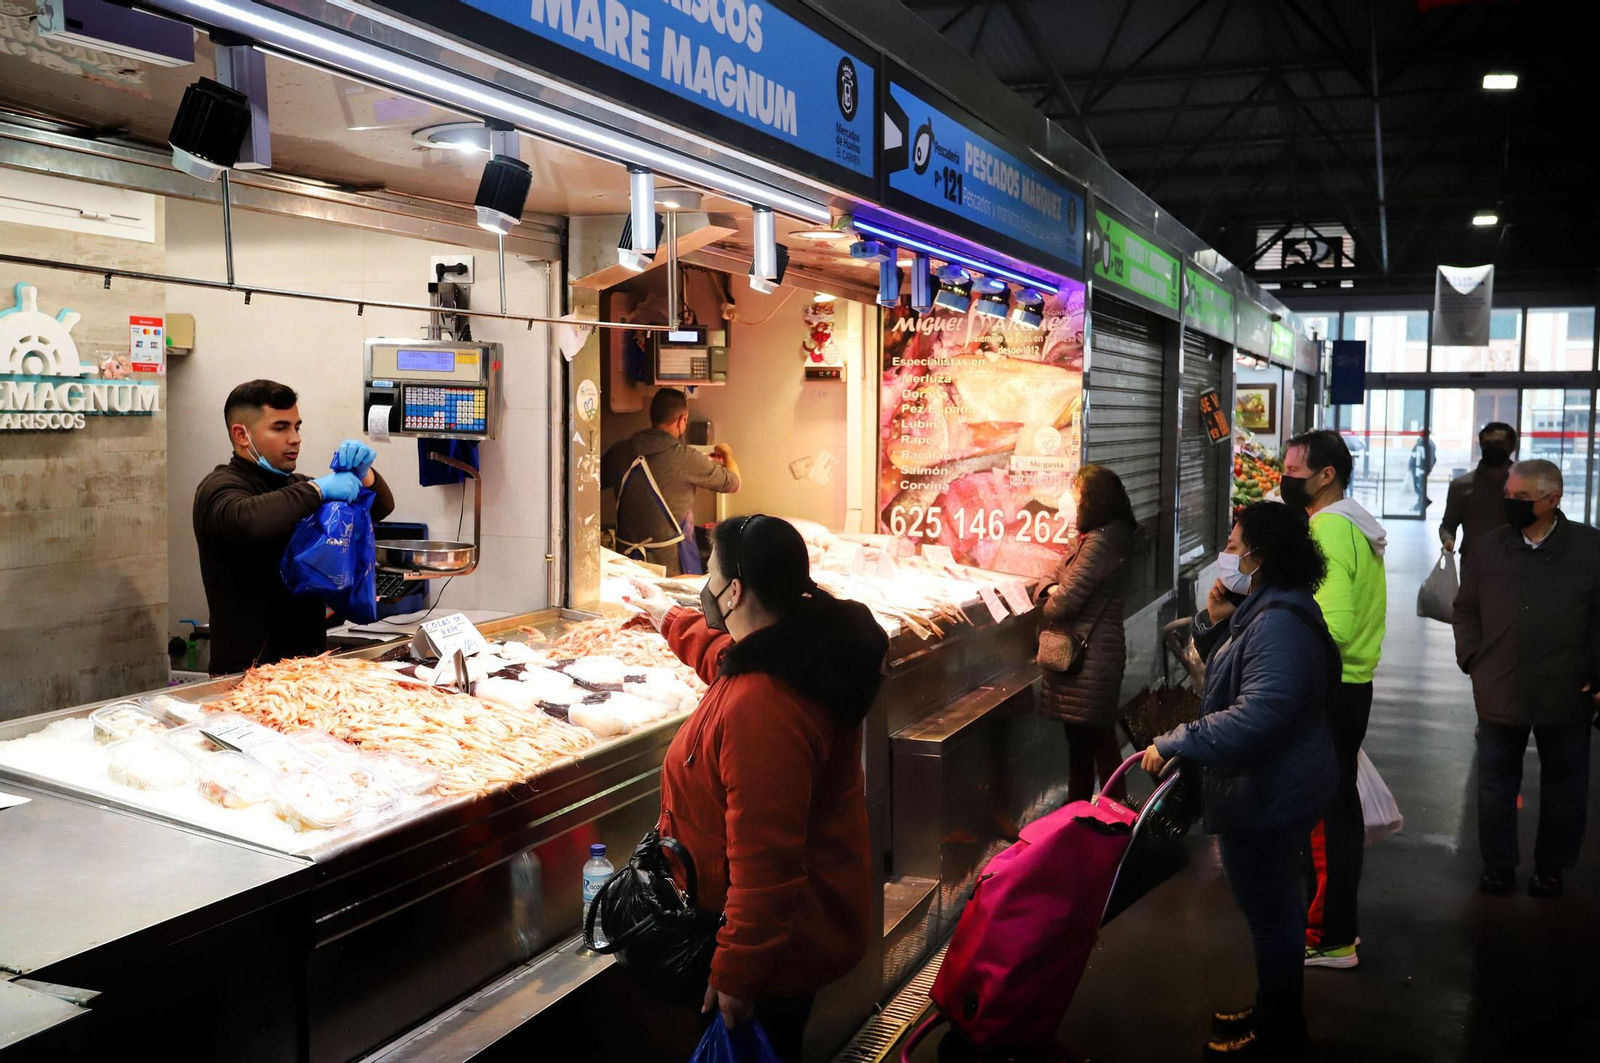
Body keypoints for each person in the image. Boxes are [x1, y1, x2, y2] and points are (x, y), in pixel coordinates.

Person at [624, 515, 887, 1062]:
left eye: (713, 575)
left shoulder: (766, 703)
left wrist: (738, 972)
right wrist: (669, 617)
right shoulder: (795, 651)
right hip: (793, 932)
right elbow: (727, 658)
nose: (708, 588)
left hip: (773, 955)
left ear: (735, 591)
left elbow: (767, 860)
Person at [1142, 502, 1338, 1061]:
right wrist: (1213, 616)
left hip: (1269, 791)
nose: (1227, 554)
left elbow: (1259, 715)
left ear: (1260, 554)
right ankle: (1273, 1008)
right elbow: (1229, 667)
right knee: (1271, 909)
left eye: (1233, 545)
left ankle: (1279, 1031)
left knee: (1272, 914)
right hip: (1270, 784)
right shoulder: (1269, 605)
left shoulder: (1278, 623)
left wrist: (1177, 740)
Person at [1452, 459, 1600, 898]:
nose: (1511, 503)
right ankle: (1498, 864)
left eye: (1522, 498)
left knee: (1565, 788)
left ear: (1553, 500)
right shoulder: (1485, 548)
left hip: (1568, 686)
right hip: (1500, 684)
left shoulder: (1590, 548)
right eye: (1508, 495)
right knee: (1495, 785)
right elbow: (1465, 609)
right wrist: (1473, 660)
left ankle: (1551, 866)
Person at [194, 380, 394, 675]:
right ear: (241, 435)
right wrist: (319, 490)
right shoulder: (218, 488)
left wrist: (365, 476)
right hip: (244, 674)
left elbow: (380, 507)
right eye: (280, 428)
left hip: (306, 669)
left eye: (297, 427)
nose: (295, 439)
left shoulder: (299, 487)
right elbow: (250, 521)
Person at [1281, 430, 1386, 970]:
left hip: (1331, 687)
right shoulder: (1355, 525)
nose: (1284, 479)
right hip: (1352, 685)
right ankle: (1337, 927)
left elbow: (1335, 624)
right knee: (1336, 808)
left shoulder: (1328, 528)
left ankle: (1329, 935)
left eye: (1293, 471)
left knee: (1324, 815)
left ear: (1326, 475)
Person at [1037, 464, 1136, 803]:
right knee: (1083, 743)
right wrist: (1052, 588)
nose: (1069, 497)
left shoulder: (1102, 543)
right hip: (1088, 655)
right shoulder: (1095, 536)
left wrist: (1053, 593)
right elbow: (1052, 578)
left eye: (1076, 491)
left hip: (1090, 659)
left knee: (1097, 742)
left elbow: (1060, 605)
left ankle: (1112, 815)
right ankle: (1081, 814)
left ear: (1094, 499)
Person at [601, 388, 741, 576]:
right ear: (682, 420)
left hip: (625, 566)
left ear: (652, 415)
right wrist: (727, 454)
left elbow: (592, 482)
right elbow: (734, 482)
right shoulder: (686, 458)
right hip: (671, 571)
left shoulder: (619, 452)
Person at [1440, 421, 1518, 554]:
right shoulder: (1460, 485)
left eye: (1499, 444)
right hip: (1474, 560)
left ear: (1512, 446)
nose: (1492, 448)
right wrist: (1448, 539)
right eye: (1487, 444)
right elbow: (1448, 524)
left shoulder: (1526, 484)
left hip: (1518, 559)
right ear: (1480, 445)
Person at [1408, 428, 1436, 513]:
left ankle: (1422, 503)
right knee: (1419, 487)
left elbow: (1416, 455)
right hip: (1420, 469)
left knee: (1419, 487)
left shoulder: (1424, 443)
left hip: (1419, 469)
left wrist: (1411, 465)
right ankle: (1421, 503)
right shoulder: (1428, 443)